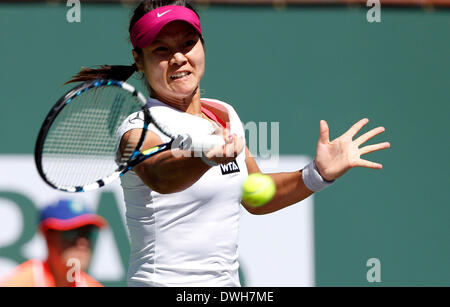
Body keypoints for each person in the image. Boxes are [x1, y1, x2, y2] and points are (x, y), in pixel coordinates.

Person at [64, 0, 390, 287]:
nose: (178, 58)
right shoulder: (135, 130)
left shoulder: (223, 113)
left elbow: (256, 194)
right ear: (139, 58)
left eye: (188, 43)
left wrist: (317, 174)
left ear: (202, 45)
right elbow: (160, 176)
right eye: (161, 50)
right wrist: (204, 158)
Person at [0, 199, 106, 287]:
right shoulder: (18, 283)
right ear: (47, 236)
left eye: (87, 233)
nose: (83, 243)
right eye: (71, 232)